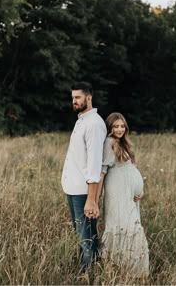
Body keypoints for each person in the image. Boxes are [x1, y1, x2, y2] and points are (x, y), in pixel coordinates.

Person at [96, 112, 149, 277]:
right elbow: (102, 172)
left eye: (122, 126)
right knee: (125, 228)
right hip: (117, 193)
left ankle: (131, 271)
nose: (120, 129)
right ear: (110, 128)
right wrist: (94, 199)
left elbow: (131, 170)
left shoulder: (123, 143)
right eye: (115, 126)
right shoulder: (109, 143)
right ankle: (118, 269)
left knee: (131, 228)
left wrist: (139, 190)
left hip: (129, 195)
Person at [61, 82, 107, 269]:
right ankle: (86, 269)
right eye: (73, 98)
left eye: (78, 97)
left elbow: (94, 165)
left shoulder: (94, 124)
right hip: (72, 188)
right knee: (81, 236)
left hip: (83, 192)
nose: (74, 101)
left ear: (89, 97)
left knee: (86, 238)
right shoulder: (81, 121)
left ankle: (88, 276)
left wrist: (91, 199)